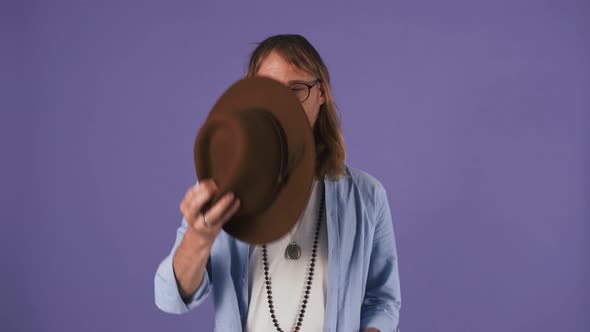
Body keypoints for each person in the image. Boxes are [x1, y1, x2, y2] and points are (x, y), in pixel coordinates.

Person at [154, 34, 401, 332]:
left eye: (296, 89)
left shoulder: (367, 195)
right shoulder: (221, 186)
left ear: (321, 93)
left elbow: (382, 301)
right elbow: (170, 296)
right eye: (270, 90)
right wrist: (199, 235)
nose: (282, 104)